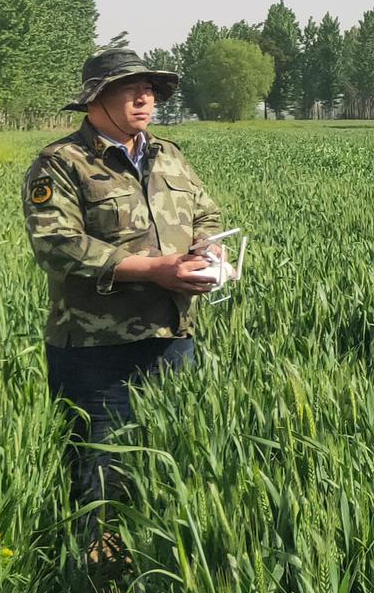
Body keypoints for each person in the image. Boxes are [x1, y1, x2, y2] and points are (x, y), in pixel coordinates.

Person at [22, 47, 225, 565]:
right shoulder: (61, 164)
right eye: (130, 88)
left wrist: (209, 248)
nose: (146, 97)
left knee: (171, 468)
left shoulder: (169, 155)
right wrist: (154, 269)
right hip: (97, 351)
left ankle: (160, 572)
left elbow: (206, 213)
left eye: (151, 89)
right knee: (99, 481)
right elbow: (57, 245)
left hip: (174, 340)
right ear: (96, 98)